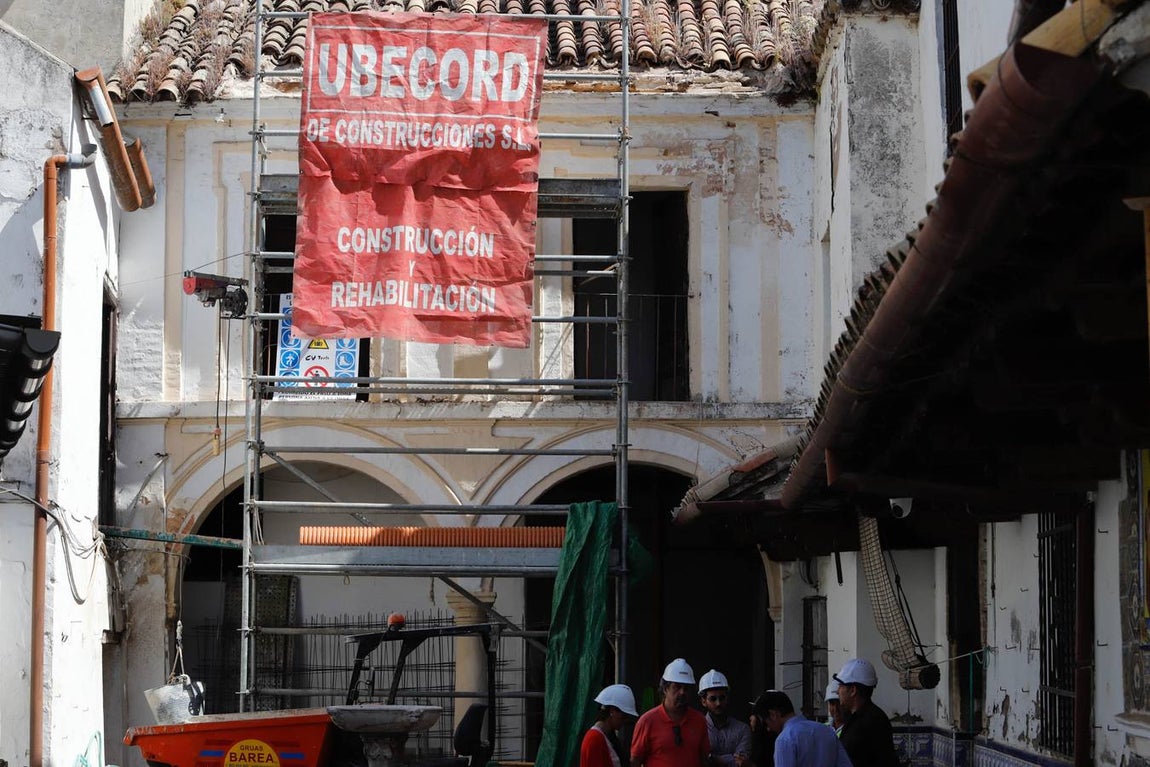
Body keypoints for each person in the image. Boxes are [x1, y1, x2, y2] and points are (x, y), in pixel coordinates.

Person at [632, 659, 711, 767]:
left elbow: (704, 758)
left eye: (686, 688)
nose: (682, 692)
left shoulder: (699, 720)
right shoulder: (647, 721)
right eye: (677, 687)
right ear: (665, 689)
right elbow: (635, 760)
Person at [751, 690, 852, 767]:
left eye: (765, 722)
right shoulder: (826, 730)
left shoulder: (785, 739)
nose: (768, 728)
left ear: (773, 715)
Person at [833, 659, 898, 767]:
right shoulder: (859, 718)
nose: (837, 691)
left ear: (853, 690)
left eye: (841, 685)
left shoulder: (870, 721)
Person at [697, 669, 752, 767]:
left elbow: (741, 762)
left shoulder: (742, 729)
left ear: (727, 698)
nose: (718, 703)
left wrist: (712, 757)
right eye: (713, 699)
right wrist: (731, 758)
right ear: (703, 701)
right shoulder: (696, 729)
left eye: (722, 698)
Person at [582, 684, 639, 767]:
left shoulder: (608, 737)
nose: (625, 721)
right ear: (612, 711)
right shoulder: (594, 739)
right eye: (624, 716)